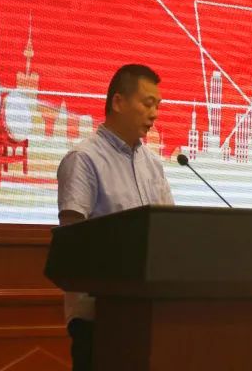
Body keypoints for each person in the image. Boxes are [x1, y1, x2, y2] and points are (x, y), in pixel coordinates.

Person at [56, 64, 175, 371]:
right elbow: (73, 243)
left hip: (150, 317)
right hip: (100, 320)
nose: (154, 114)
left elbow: (170, 232)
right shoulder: (84, 159)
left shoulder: (153, 165)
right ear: (118, 102)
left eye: (158, 106)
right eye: (147, 103)